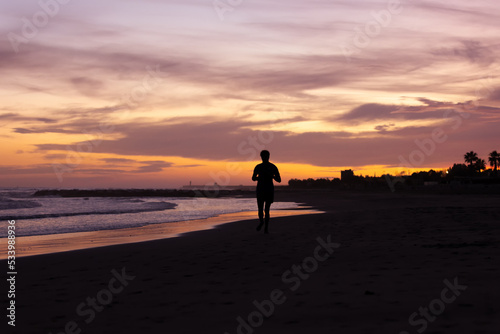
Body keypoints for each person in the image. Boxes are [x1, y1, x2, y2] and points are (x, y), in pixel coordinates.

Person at [252, 150, 281, 234]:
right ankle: (265, 227)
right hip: (266, 189)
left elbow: (279, 180)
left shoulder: (260, 167)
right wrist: (268, 177)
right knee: (265, 209)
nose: (264, 158)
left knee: (262, 209)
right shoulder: (272, 167)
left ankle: (263, 224)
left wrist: (270, 176)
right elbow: (253, 178)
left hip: (263, 189)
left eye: (265, 156)